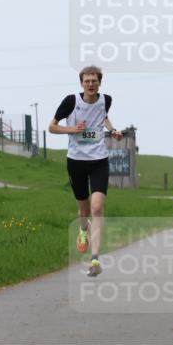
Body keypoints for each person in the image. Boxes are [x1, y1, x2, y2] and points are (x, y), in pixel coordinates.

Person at [49, 65, 122, 277]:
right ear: (82, 83)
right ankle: (83, 230)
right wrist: (73, 129)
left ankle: (95, 259)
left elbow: (104, 116)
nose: (91, 84)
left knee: (97, 207)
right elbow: (52, 127)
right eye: (87, 81)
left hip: (99, 159)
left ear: (100, 82)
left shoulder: (106, 99)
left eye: (94, 81)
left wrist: (113, 130)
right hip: (76, 161)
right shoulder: (71, 101)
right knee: (84, 210)